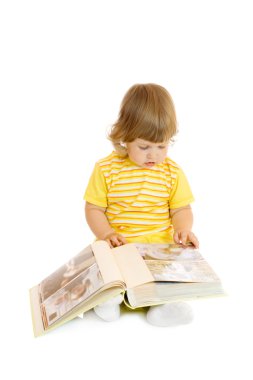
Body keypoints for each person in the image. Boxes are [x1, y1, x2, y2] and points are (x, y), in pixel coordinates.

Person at [84, 83, 199, 327]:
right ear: (124, 137)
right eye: (144, 147)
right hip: (119, 244)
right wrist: (106, 234)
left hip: (156, 248)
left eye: (162, 146)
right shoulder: (106, 169)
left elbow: (181, 209)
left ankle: (163, 307)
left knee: (166, 273)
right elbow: (94, 209)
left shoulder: (172, 172)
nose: (154, 155)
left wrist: (183, 228)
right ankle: (109, 298)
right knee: (103, 266)